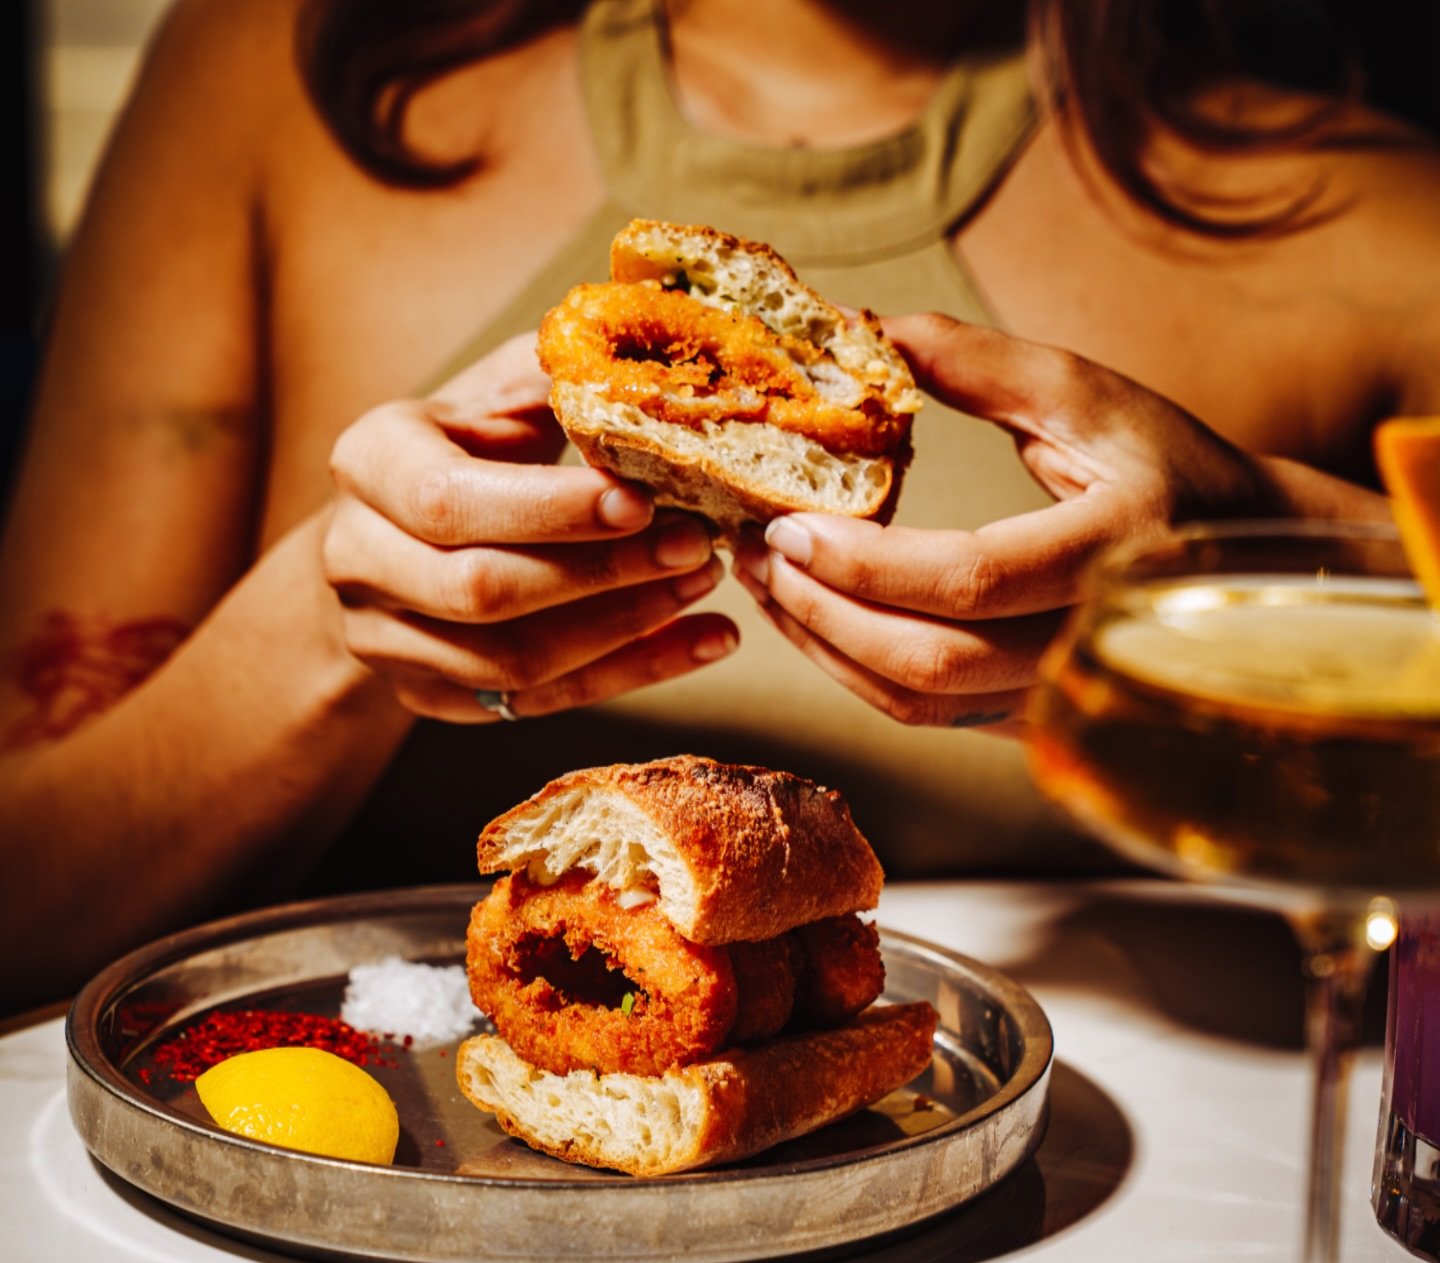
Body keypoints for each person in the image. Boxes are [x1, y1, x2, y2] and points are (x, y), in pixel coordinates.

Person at [1, 0, 1436, 1009]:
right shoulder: (279, 74)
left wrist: (1266, 566)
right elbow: (29, 904)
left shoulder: (1375, 226)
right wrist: (333, 629)